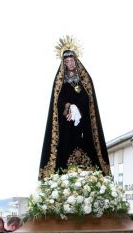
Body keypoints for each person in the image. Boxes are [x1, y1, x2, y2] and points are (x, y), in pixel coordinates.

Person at [39, 42, 110, 179]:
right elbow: (57, 101)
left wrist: (77, 107)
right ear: (64, 63)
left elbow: (89, 99)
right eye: (67, 61)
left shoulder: (85, 80)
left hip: (84, 124)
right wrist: (68, 106)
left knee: (86, 145)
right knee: (65, 147)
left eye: (72, 60)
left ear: (76, 60)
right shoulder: (60, 82)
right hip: (67, 124)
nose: (70, 64)